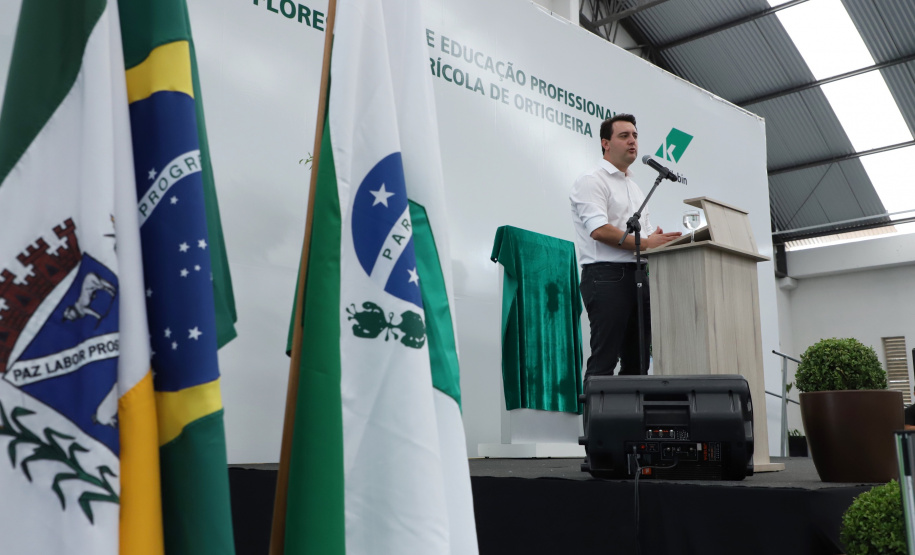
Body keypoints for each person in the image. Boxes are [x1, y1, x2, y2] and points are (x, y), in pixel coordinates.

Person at [569, 114, 681, 381]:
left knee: (638, 362)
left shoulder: (634, 187)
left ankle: (630, 423)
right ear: (605, 143)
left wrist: (659, 240)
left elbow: (646, 234)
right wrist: (646, 242)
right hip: (606, 276)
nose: (632, 141)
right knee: (604, 360)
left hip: (639, 277)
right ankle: (597, 424)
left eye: (635, 136)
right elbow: (599, 230)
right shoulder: (591, 180)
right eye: (624, 136)